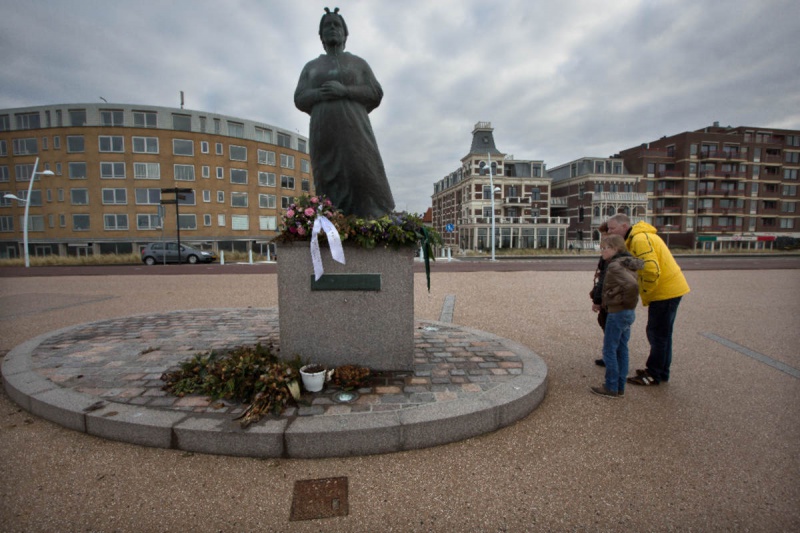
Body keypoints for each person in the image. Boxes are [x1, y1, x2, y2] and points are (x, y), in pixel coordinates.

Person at [294, 7, 395, 219]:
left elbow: (375, 92)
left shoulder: (358, 64)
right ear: (320, 35)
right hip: (324, 135)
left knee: (363, 173)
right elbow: (300, 98)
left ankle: (374, 223)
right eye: (327, 26)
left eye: (336, 25)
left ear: (345, 33)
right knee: (327, 180)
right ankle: (335, 223)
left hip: (355, 132)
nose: (332, 29)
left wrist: (345, 91)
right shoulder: (311, 67)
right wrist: (321, 94)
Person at [606, 214, 690, 386]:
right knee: (664, 334)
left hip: (664, 293)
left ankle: (653, 374)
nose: (609, 231)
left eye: (612, 228)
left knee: (657, 334)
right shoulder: (638, 237)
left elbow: (651, 270)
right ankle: (661, 371)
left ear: (624, 227)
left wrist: (648, 293)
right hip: (671, 290)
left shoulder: (639, 240)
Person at [590, 222, 609, 367]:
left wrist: (597, 299)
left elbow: (604, 279)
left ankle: (612, 361)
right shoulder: (608, 254)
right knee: (606, 326)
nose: (602, 238)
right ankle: (609, 356)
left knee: (611, 330)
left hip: (610, 301)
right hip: (608, 299)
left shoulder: (613, 258)